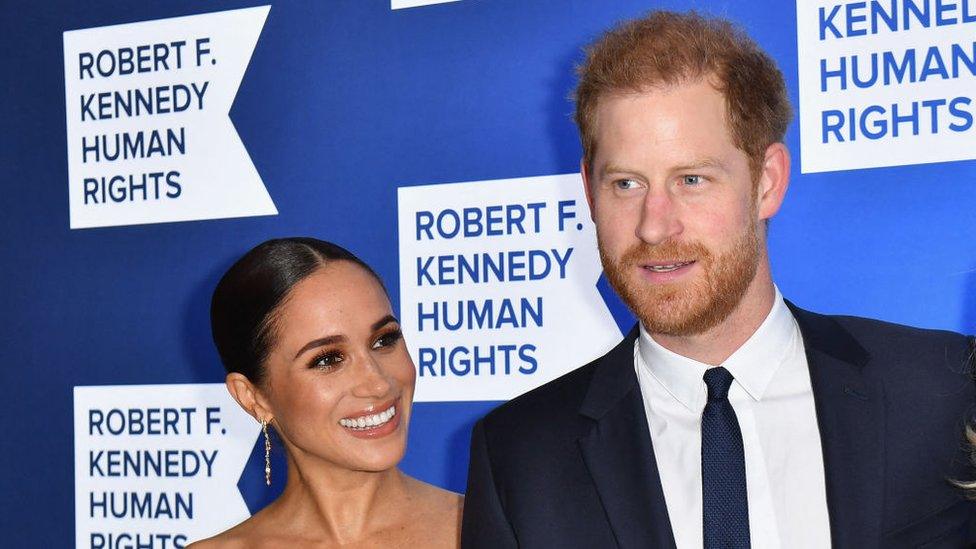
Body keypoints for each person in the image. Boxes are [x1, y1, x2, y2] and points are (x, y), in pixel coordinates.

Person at [461, 11, 976, 549]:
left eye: (691, 179)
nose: (654, 225)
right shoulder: (521, 457)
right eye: (626, 183)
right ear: (589, 194)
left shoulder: (944, 390)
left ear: (767, 182)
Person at [191, 238, 462, 548]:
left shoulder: (496, 530)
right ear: (253, 397)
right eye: (328, 360)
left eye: (384, 340)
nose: (378, 383)